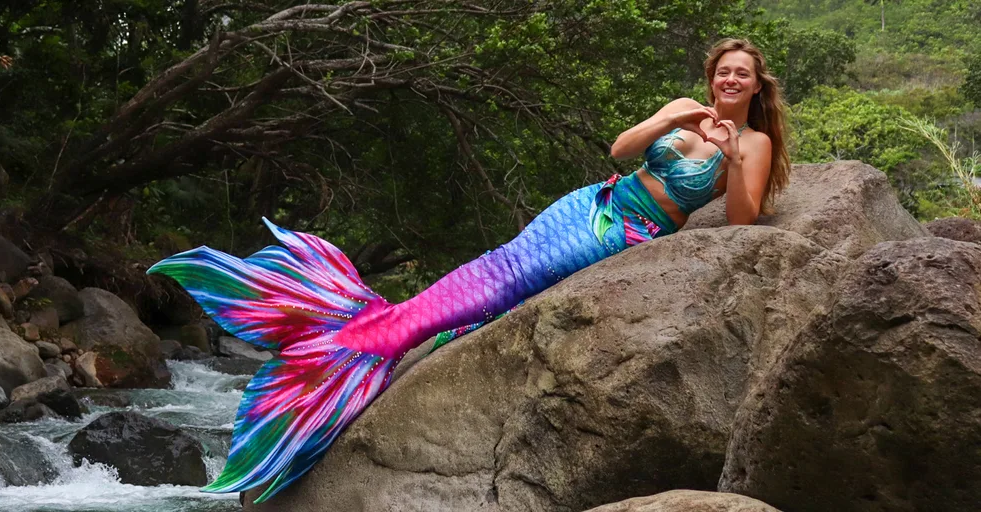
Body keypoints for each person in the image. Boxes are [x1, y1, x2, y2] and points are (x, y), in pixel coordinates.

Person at [148, 37, 791, 503]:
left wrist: (733, 157)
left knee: (501, 291)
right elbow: (621, 150)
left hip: (623, 232)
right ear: (711, 77)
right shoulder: (685, 108)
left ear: (757, 87)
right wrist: (670, 118)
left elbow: (739, 223)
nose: (730, 82)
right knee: (493, 268)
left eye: (743, 75)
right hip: (588, 204)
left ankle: (360, 346)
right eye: (723, 72)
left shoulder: (754, 143)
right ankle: (361, 334)